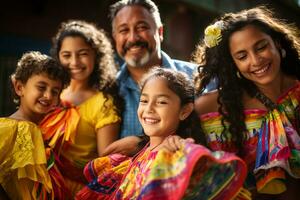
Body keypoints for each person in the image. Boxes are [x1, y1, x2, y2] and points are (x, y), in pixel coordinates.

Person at [76, 68, 249, 200]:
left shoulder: (179, 156)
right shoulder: (137, 154)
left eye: (161, 102)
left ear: (184, 111)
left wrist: (185, 153)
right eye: (144, 100)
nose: (149, 109)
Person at [192, 6, 300, 199]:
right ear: (233, 64)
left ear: (277, 43)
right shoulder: (218, 105)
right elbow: (175, 126)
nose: (256, 60)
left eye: (261, 47)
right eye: (242, 56)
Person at [40, 20, 122, 197]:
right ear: (58, 57)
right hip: (40, 184)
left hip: (77, 190)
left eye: (82, 54)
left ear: (96, 55)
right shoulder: (53, 93)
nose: (74, 62)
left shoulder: (104, 102)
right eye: (66, 55)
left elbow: (104, 162)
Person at [109, 0, 200, 139]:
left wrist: (140, 144)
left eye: (142, 27)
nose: (133, 38)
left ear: (160, 32)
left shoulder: (199, 77)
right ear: (115, 38)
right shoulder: (107, 90)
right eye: (124, 30)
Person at [0, 51, 70, 199]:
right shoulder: (14, 128)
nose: (48, 96)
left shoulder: (41, 132)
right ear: (19, 87)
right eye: (41, 87)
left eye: (55, 91)